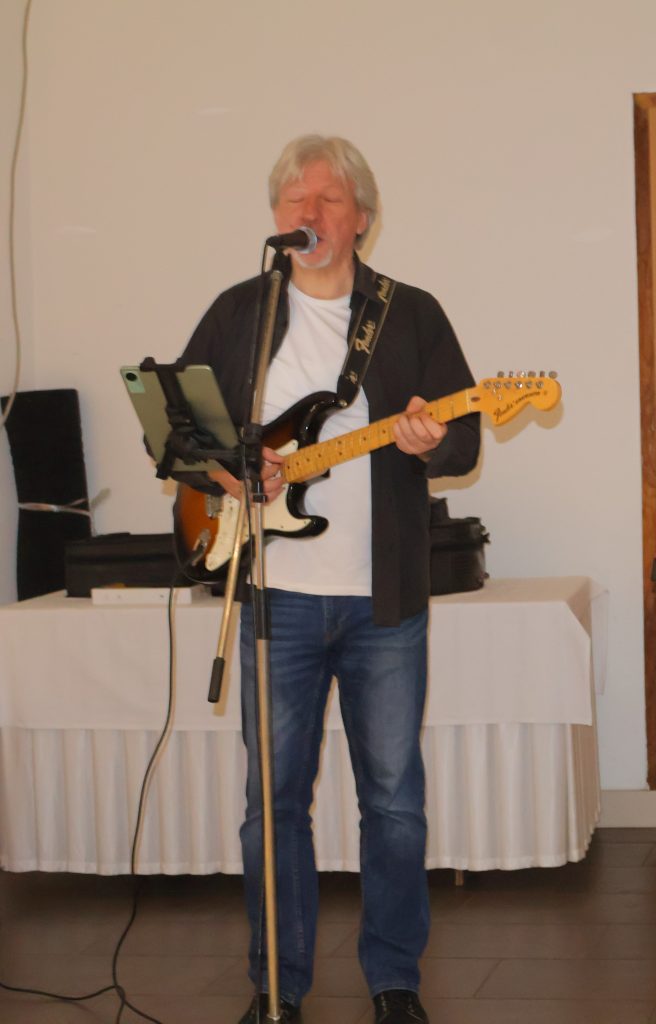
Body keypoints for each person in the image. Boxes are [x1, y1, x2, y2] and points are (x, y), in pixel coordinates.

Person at [177, 135, 480, 1024]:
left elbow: (464, 438)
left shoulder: (409, 314)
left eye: (328, 200)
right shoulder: (239, 312)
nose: (308, 214)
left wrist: (432, 439)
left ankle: (394, 980)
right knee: (271, 806)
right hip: (274, 597)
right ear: (276, 218)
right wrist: (234, 475)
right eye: (293, 201)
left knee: (394, 802)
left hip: (383, 602)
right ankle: (278, 985)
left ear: (362, 220)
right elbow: (186, 437)